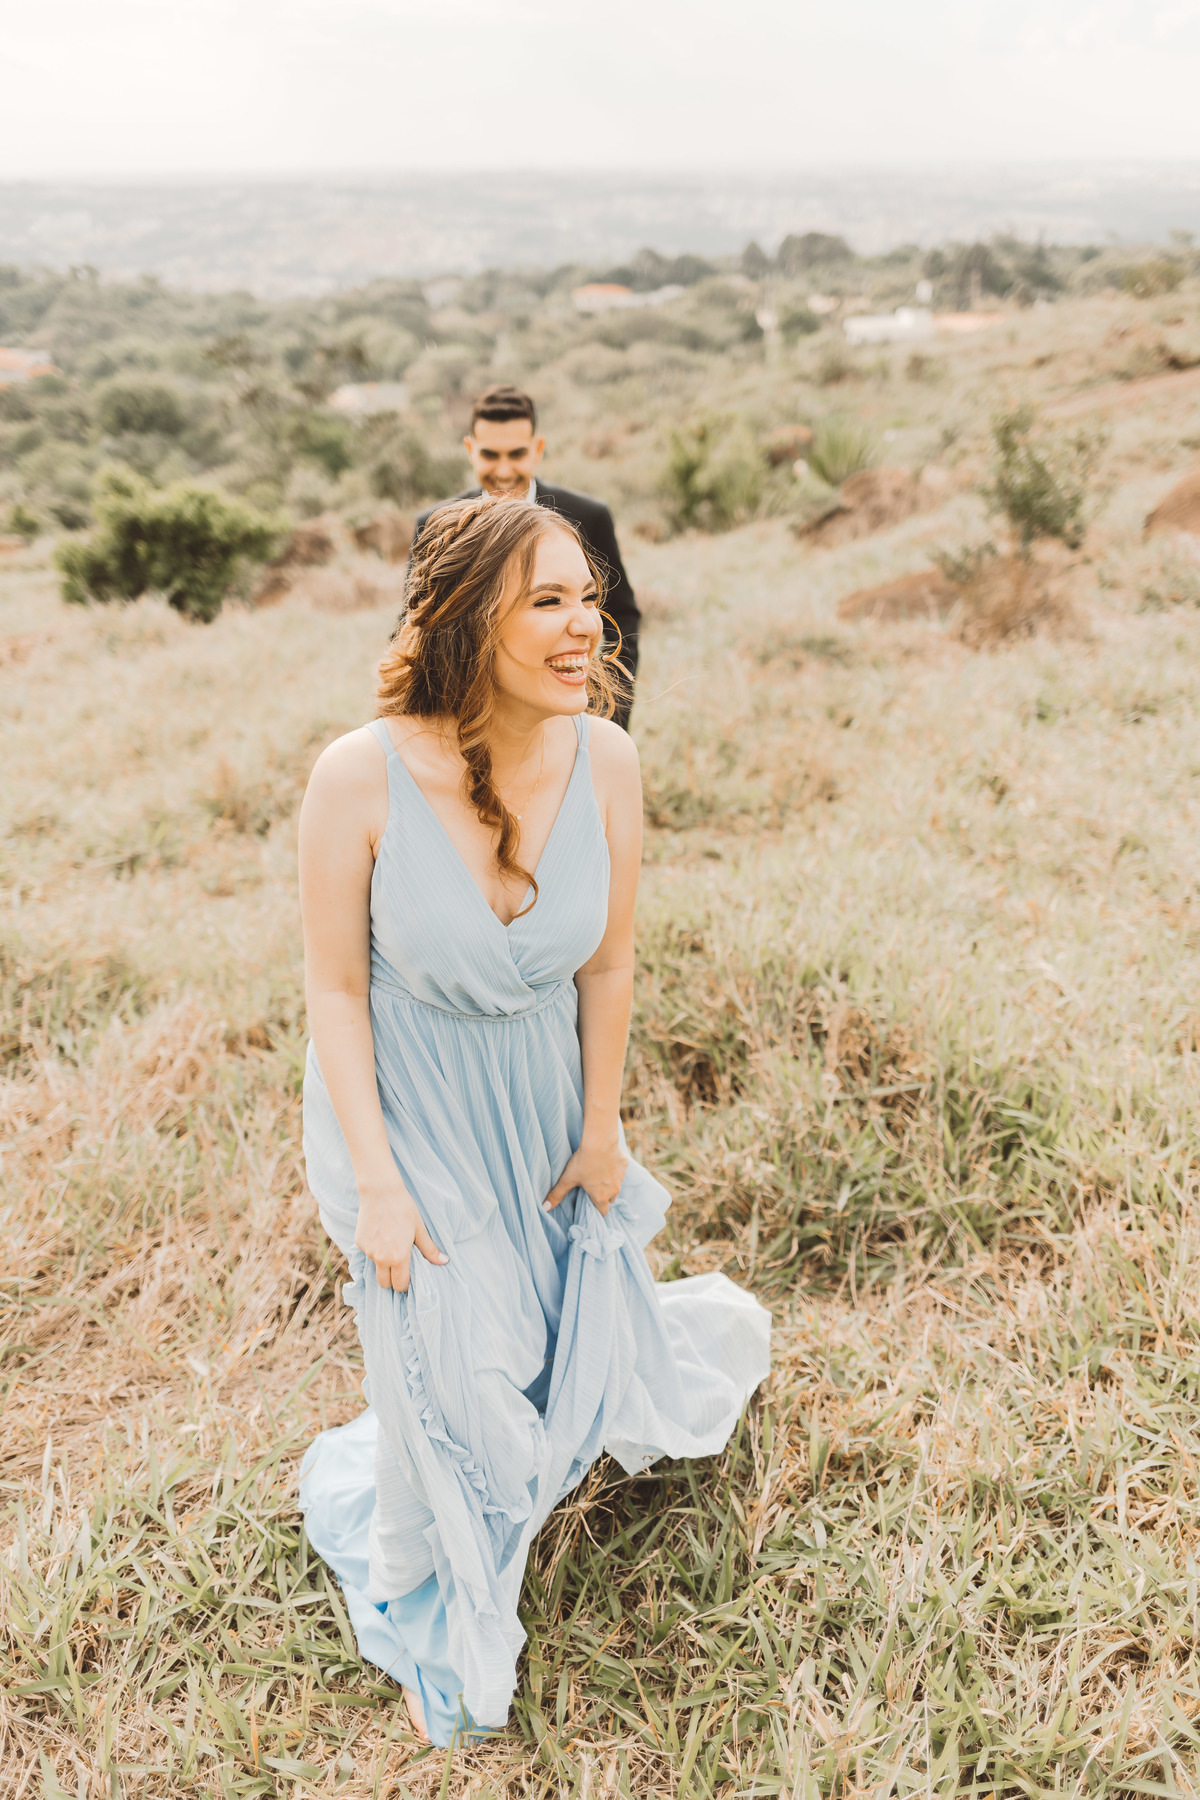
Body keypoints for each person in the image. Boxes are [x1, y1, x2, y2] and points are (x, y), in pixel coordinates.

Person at [298, 496, 770, 1746]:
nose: (585, 625)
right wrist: (379, 1181)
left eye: (590, 596)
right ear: (468, 621)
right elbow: (335, 990)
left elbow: (607, 967)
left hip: (544, 1097)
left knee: (553, 1339)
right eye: (548, 601)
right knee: (452, 1361)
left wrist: (601, 1127)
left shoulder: (606, 756)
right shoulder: (359, 774)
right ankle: (429, 1587)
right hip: (410, 1108)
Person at [410, 384, 640, 727]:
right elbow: (414, 626)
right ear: (470, 450)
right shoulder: (435, 524)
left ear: (538, 449)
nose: (503, 471)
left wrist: (609, 718)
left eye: (516, 454)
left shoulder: (589, 516)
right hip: (471, 720)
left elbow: (622, 616)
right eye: (490, 455)